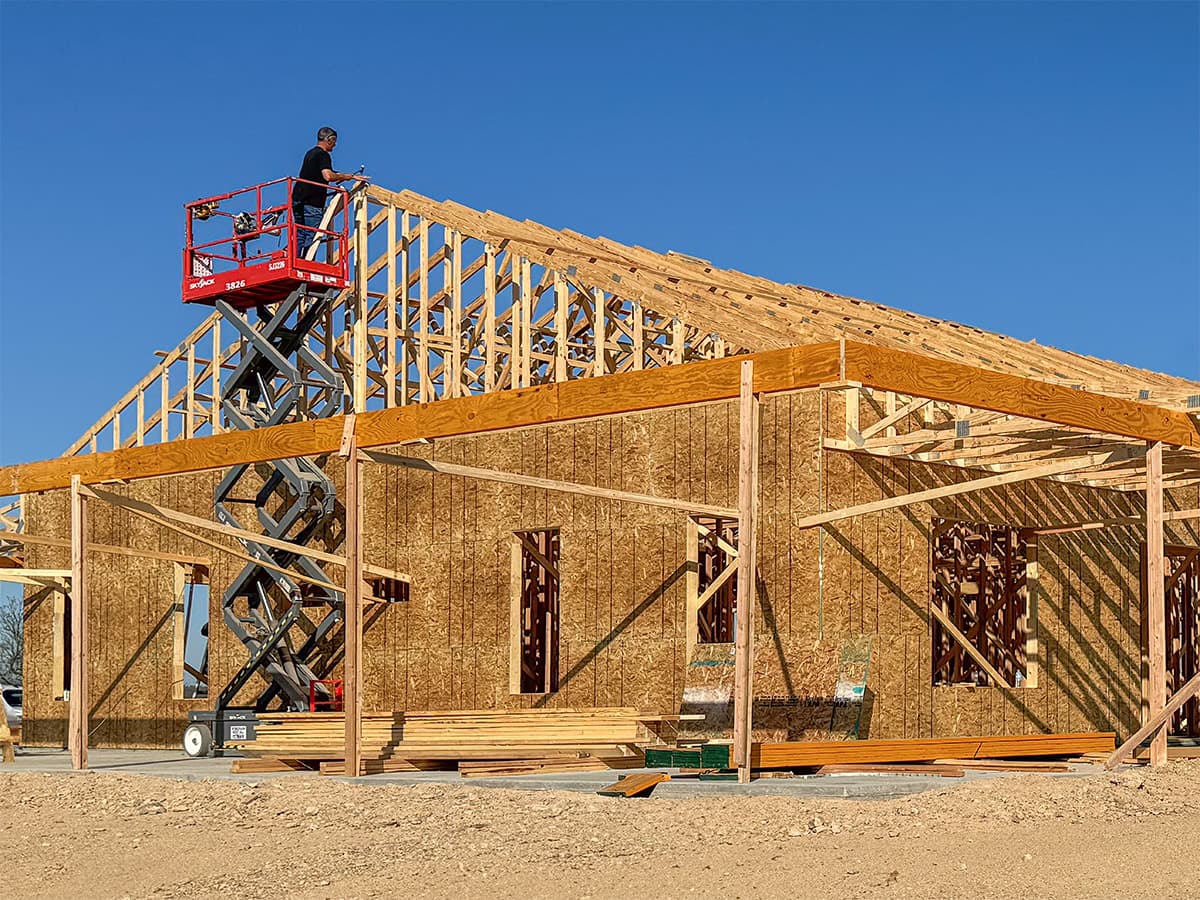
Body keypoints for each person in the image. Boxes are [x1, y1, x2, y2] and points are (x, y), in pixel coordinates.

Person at [293, 127, 369, 258]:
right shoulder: (323, 155)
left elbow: (326, 173)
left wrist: (345, 176)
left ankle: (296, 261)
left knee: (300, 233)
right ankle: (305, 265)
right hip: (312, 202)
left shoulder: (310, 153)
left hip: (298, 199)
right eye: (334, 141)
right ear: (330, 140)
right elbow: (328, 175)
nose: (335, 144)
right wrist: (346, 177)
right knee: (312, 235)